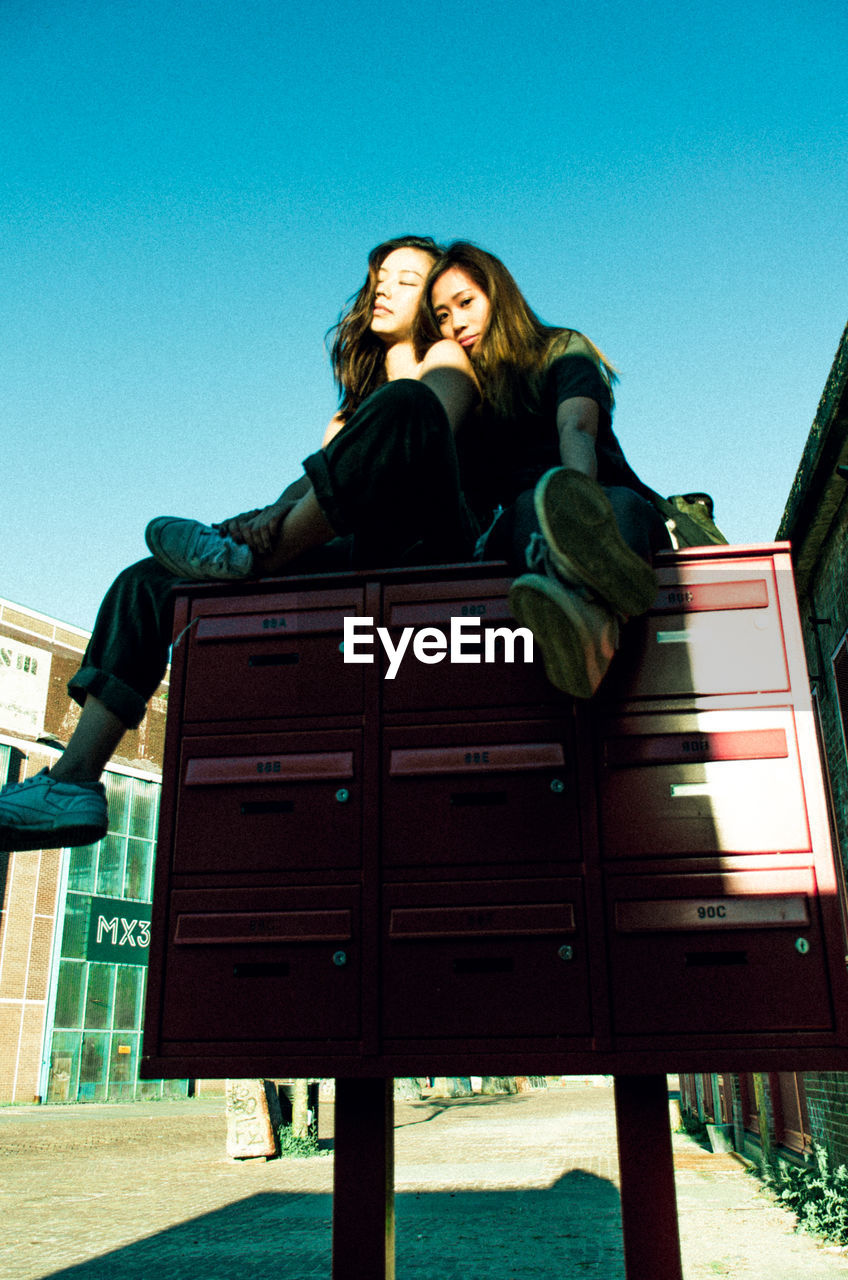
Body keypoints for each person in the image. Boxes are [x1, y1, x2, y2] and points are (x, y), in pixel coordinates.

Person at [0, 236, 479, 851]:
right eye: (379, 277)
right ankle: (72, 782)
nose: (383, 288)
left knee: (404, 405)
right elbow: (305, 487)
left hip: (429, 551)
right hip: (348, 558)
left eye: (406, 281)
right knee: (146, 581)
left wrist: (270, 533)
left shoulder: (445, 362)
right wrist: (255, 520)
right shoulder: (351, 410)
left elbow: (420, 442)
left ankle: (246, 563)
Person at [415, 241, 673, 698]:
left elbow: (576, 426)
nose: (455, 323)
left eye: (466, 303)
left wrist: (576, 510)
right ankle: (597, 618)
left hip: (594, 492)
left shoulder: (560, 348)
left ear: (498, 295)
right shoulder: (464, 388)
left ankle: (592, 627)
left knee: (626, 508)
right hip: (520, 519)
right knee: (530, 510)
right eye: (441, 316)